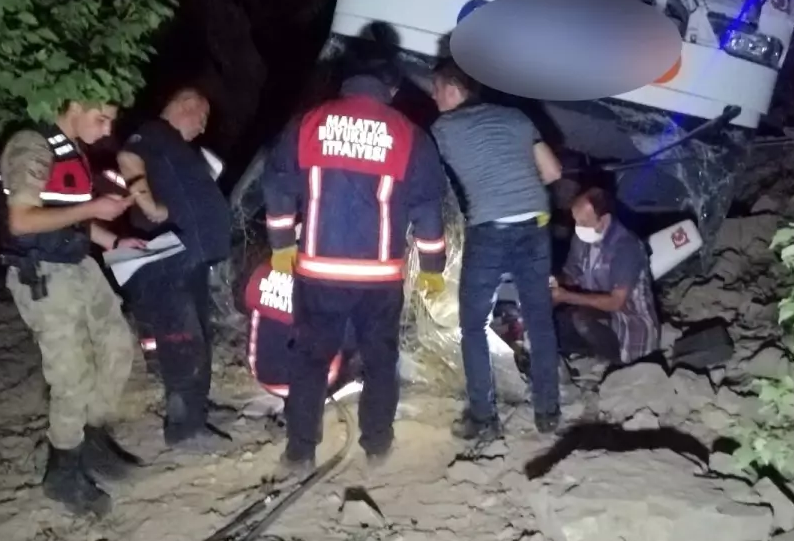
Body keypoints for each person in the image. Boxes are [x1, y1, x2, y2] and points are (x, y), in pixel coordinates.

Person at [262, 67, 448, 474]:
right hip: (379, 278)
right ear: (391, 88)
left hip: (319, 272)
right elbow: (427, 207)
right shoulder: (409, 134)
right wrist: (432, 265)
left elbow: (277, 186)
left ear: (344, 85)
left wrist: (281, 245)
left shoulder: (309, 123)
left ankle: (300, 451)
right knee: (381, 359)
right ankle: (378, 444)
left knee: (310, 358)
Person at [0, 100, 146, 517]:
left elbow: (70, 219)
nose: (107, 129)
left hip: (79, 264)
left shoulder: (72, 147)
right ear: (75, 105)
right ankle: (63, 469)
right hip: (43, 273)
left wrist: (112, 240)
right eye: (101, 118)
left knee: (118, 346)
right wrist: (92, 209)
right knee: (71, 375)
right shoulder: (30, 145)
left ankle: (92, 437)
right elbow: (22, 221)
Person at [430, 59, 565, 438]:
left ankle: (483, 418)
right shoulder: (517, 117)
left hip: (489, 229)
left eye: (436, 88)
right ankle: (547, 413)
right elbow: (553, 172)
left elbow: (435, 182)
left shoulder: (443, 128)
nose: (433, 96)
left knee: (473, 325)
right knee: (539, 319)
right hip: (535, 223)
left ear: (454, 90)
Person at [117, 85, 233, 449]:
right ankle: (183, 429)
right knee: (180, 341)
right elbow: (128, 157)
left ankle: (197, 408)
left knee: (198, 336)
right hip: (168, 262)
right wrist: (148, 205)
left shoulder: (178, 148)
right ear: (185, 105)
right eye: (202, 117)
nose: (202, 127)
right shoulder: (151, 133)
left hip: (191, 260)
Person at [552, 186, 660, 365]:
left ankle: (614, 363)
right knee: (557, 322)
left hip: (631, 324)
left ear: (604, 220)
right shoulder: (584, 237)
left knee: (581, 320)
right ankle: (593, 356)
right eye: (576, 221)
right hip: (604, 313)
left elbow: (616, 302)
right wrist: (557, 283)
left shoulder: (625, 247)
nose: (578, 227)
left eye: (584, 222)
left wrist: (566, 296)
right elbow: (573, 273)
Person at [243, 258, 343, 400]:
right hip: (319, 382)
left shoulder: (263, 271)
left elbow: (248, 302)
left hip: (264, 376)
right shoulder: (325, 281)